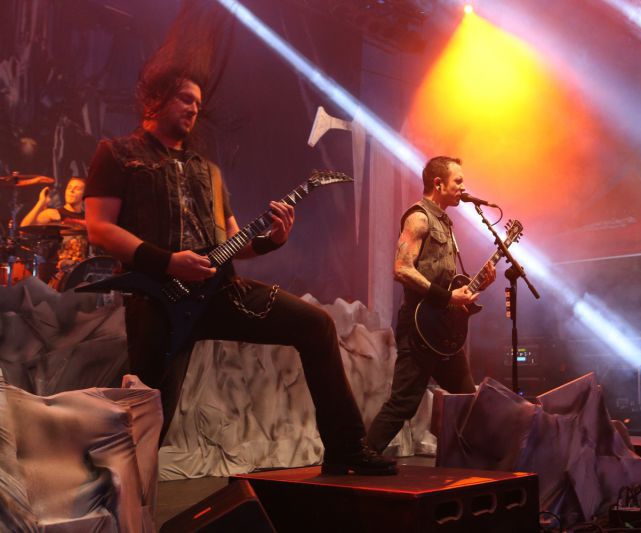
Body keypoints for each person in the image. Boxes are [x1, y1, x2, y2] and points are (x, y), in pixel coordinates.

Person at [84, 68, 396, 475]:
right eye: (185, 99)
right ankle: (120, 494)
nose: (194, 108)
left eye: (198, 103)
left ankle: (347, 448)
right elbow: (99, 228)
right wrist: (167, 262)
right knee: (150, 412)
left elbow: (233, 241)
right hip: (158, 300)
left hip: (219, 291)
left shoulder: (207, 170)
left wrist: (272, 240)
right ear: (155, 100)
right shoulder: (118, 154)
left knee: (316, 324)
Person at [365, 156, 496, 454]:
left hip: (443, 330)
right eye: (458, 181)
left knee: (467, 397)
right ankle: (363, 455)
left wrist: (479, 285)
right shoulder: (419, 218)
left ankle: (478, 460)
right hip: (418, 328)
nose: (463, 187)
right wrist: (448, 298)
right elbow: (401, 269)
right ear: (438, 183)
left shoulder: (445, 223)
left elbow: (447, 284)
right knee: (403, 403)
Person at [20, 176, 86, 227]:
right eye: (69, 188)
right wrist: (41, 202)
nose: (71, 191)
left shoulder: (87, 217)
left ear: (84, 194)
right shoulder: (52, 214)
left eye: (77, 189)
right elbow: (24, 229)